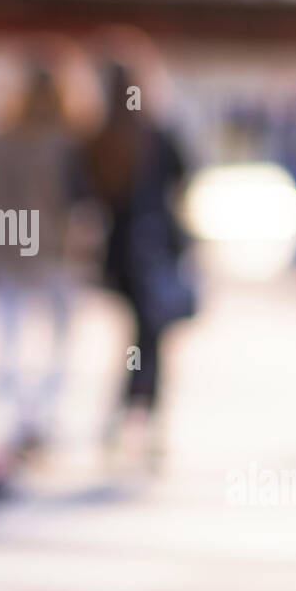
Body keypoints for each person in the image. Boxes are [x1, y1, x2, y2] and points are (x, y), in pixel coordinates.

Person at [80, 33, 194, 471]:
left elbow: (87, 193)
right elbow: (184, 177)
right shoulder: (156, 133)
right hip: (155, 248)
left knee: (142, 339)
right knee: (150, 340)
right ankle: (141, 423)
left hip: (122, 253)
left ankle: (126, 421)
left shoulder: (102, 136)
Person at [0, 45, 87, 460]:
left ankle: (23, 418)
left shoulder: (8, 139)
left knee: (12, 338)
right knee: (54, 340)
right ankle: (39, 417)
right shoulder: (66, 141)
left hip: (12, 245)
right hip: (50, 250)